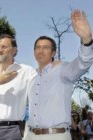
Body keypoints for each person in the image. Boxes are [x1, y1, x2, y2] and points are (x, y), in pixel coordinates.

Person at [24, 10, 93, 140]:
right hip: (30, 135)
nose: (40, 50)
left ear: (53, 53)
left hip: (56, 135)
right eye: (37, 47)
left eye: (45, 47)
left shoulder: (62, 69)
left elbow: (82, 63)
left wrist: (87, 40)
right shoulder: (31, 77)